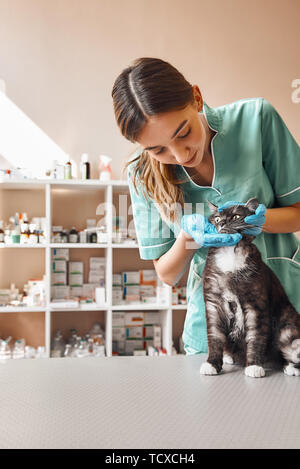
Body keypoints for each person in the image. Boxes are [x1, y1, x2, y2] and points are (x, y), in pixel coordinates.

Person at [111, 57, 300, 355]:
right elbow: (167, 274)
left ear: (197, 98)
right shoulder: (141, 173)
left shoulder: (256, 120)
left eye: (183, 133)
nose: (180, 154)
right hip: (214, 331)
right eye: (158, 150)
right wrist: (187, 240)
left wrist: (257, 221)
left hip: (287, 316)